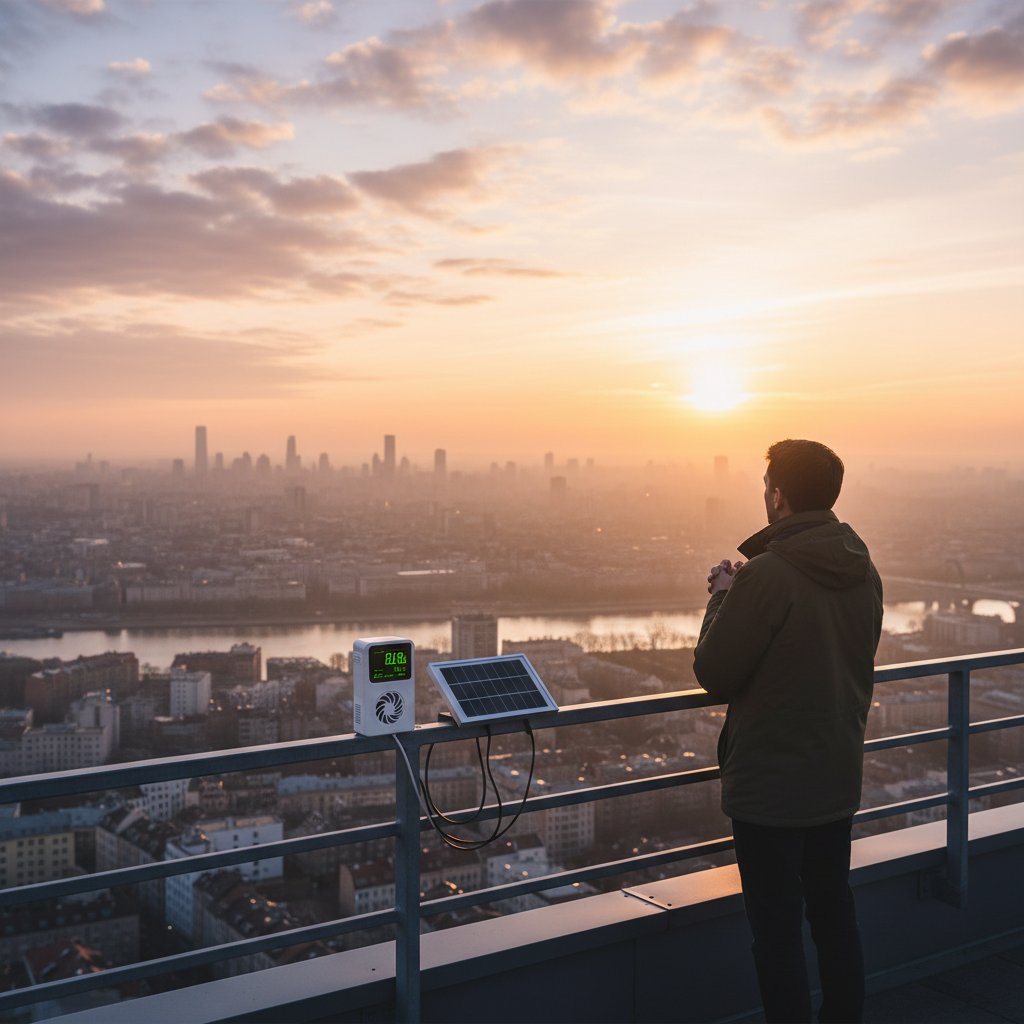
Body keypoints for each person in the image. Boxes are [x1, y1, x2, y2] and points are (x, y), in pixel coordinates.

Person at [693, 439, 883, 1023]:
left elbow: (714, 672)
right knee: (834, 917)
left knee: (776, 936)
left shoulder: (766, 577)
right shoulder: (863, 568)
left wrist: (722, 599)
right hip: (835, 773)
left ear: (777, 496)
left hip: (770, 788)